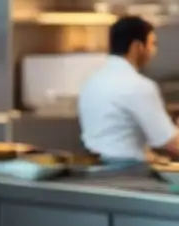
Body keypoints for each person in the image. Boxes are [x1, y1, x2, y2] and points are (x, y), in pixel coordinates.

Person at [77, 15, 179, 162]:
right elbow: (169, 141)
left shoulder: (92, 81)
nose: (153, 51)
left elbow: (117, 137)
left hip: (95, 168)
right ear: (137, 47)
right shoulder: (139, 85)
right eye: (152, 44)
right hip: (129, 173)